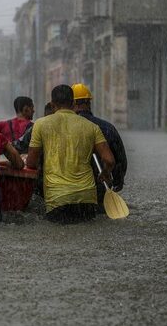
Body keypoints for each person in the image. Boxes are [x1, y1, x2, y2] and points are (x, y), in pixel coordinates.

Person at [26, 85, 115, 224]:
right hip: (87, 199)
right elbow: (109, 160)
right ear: (73, 104)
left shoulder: (40, 124)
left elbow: (31, 162)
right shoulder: (91, 126)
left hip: (57, 199)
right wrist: (105, 174)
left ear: (52, 104)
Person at [71, 83, 128, 212]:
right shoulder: (107, 128)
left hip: (70, 190)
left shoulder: (63, 129)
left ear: (72, 103)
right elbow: (119, 159)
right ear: (89, 103)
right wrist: (118, 180)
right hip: (100, 187)